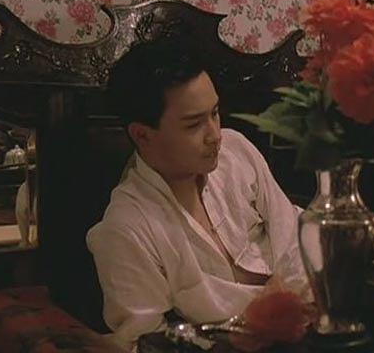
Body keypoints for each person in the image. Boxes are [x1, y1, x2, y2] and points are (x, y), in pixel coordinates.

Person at [86, 36, 309, 349]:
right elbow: (147, 341)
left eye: (215, 113)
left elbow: (296, 233)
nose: (215, 135)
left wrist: (283, 295)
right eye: (193, 125)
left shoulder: (236, 151)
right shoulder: (126, 229)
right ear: (143, 135)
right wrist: (253, 325)